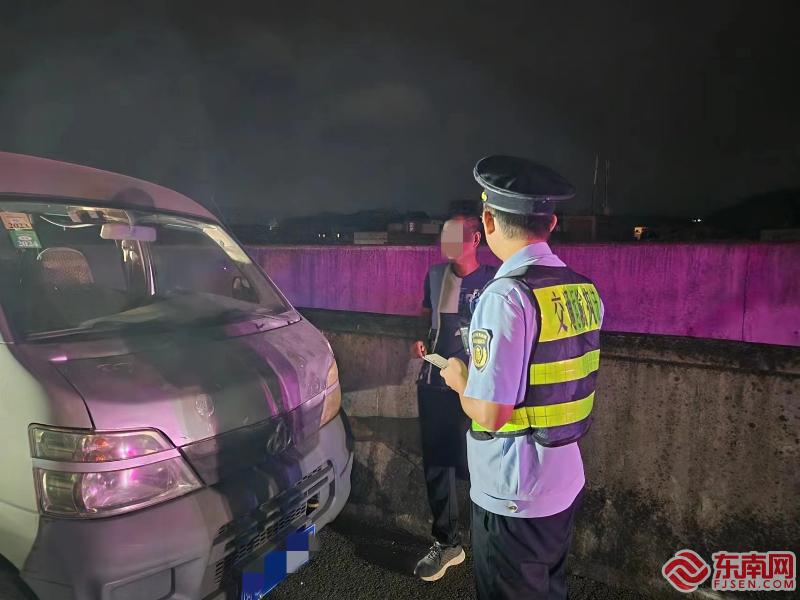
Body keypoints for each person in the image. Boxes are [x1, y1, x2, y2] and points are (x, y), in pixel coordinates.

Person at [441, 155, 604, 600]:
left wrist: (460, 380)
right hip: (563, 479)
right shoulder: (583, 289)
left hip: (514, 491)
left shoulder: (506, 296)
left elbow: (492, 413)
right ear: (550, 223)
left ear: (488, 220)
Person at [411, 201, 497, 582]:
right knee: (438, 465)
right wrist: (420, 339)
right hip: (436, 382)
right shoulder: (434, 276)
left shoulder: (494, 281)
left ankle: (492, 545)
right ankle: (447, 543)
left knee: (483, 465)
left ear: (475, 239)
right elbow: (424, 315)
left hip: (478, 388)